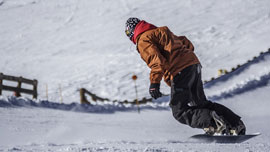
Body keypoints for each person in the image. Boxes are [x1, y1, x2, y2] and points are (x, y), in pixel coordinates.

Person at [124, 17, 246, 135]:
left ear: (131, 32)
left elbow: (157, 62)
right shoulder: (160, 31)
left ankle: (215, 123)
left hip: (180, 70)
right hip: (193, 64)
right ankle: (235, 124)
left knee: (179, 111)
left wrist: (154, 84)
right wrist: (184, 57)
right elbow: (185, 42)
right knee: (200, 104)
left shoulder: (143, 39)